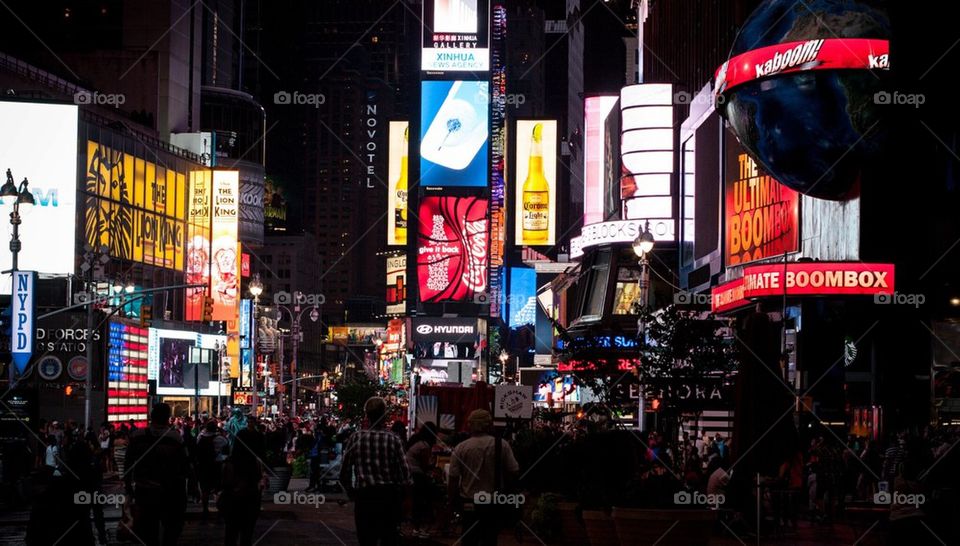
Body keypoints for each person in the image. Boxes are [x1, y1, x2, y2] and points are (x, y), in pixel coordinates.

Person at [339, 397, 412, 546]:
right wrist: (403, 496)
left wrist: (352, 492)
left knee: (366, 540)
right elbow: (405, 474)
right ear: (384, 415)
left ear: (366, 415)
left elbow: (344, 472)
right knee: (388, 538)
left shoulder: (356, 438)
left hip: (365, 497)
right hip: (388, 497)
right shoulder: (394, 439)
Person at [447, 410, 520, 546]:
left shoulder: (461, 448)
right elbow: (514, 471)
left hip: (469, 502)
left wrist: (451, 503)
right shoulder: (501, 445)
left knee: (469, 539)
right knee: (490, 538)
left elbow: (453, 479)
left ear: (470, 425)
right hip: (493, 502)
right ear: (489, 425)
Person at [124, 403, 189, 546]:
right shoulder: (175, 437)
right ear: (167, 418)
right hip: (169, 491)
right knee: (171, 530)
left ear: (151, 416)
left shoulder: (137, 436)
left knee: (148, 531)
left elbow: (128, 463)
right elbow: (184, 465)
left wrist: (128, 486)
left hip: (144, 490)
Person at [221, 415, 267, 545]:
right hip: (245, 493)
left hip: (240, 493)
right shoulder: (246, 435)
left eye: (252, 422)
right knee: (243, 529)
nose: (250, 423)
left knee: (235, 530)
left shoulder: (254, 436)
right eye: (249, 422)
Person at [406, 422, 439, 538]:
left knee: (418, 499)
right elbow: (425, 466)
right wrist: (433, 467)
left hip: (409, 473)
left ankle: (416, 526)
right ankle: (420, 526)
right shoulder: (424, 446)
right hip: (416, 474)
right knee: (426, 497)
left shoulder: (416, 441)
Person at [196, 420, 228, 517]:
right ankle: (219, 509)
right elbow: (226, 442)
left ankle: (205, 509)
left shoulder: (200, 437)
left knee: (205, 489)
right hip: (216, 465)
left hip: (203, 465)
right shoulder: (219, 438)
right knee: (217, 489)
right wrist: (220, 431)